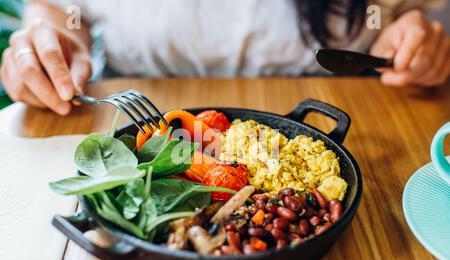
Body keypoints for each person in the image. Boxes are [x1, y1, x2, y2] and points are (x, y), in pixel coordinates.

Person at [1, 0, 449, 116]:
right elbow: (59, 10)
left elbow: (402, 15)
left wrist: (409, 43)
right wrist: (53, 43)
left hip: (334, 104)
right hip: (137, 108)